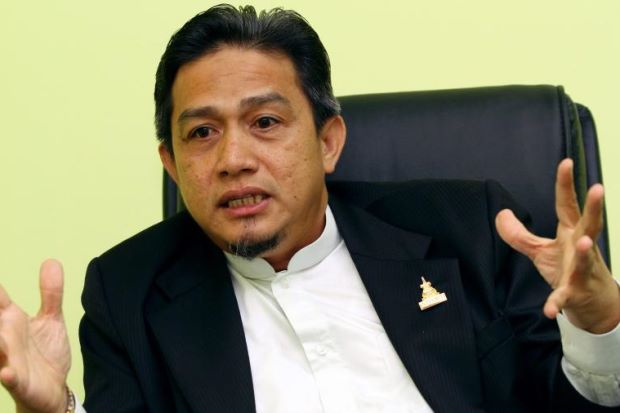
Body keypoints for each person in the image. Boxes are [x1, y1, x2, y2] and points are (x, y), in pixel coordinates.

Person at [1, 4, 619, 413]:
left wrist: (600, 324)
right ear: (172, 164)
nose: (233, 159)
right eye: (202, 133)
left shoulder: (470, 230)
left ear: (328, 141)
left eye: (265, 122)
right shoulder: (127, 294)